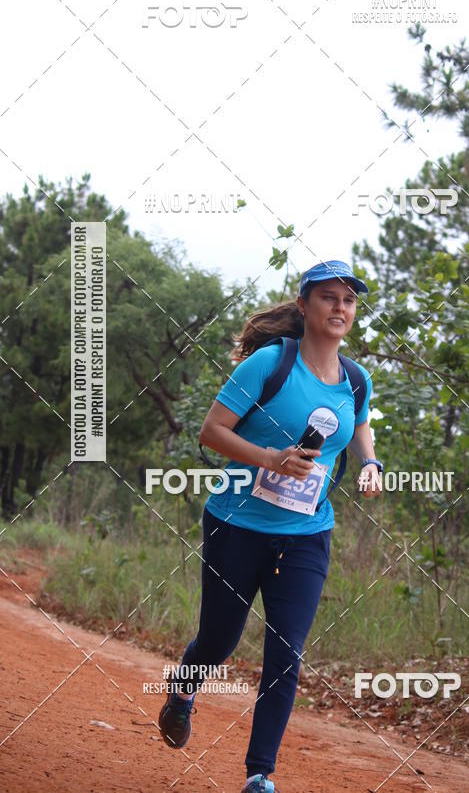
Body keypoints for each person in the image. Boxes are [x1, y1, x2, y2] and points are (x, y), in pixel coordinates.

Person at [158, 260, 383, 792]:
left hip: (307, 534)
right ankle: (183, 693)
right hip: (237, 524)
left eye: (348, 300)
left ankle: (259, 775)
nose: (340, 308)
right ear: (304, 305)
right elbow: (211, 432)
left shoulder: (355, 378)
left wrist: (370, 462)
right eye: (328, 297)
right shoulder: (267, 364)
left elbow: (361, 426)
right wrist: (269, 459)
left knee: (286, 655)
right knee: (217, 642)